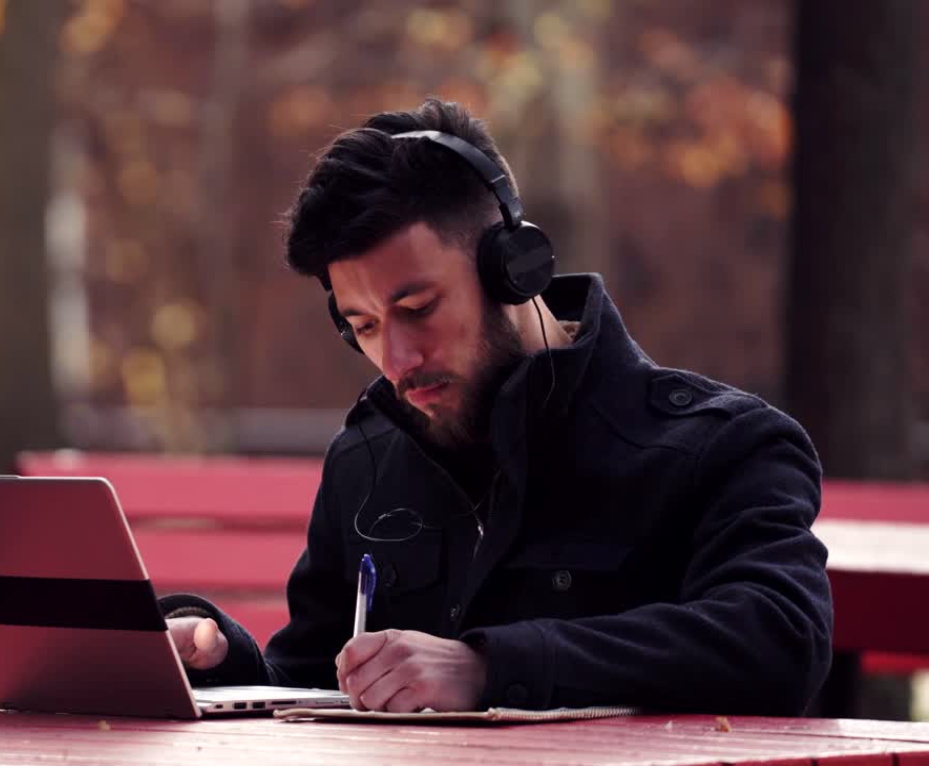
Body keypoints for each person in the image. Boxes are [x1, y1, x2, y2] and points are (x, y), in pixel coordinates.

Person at [160, 98, 833, 716]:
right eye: (362, 327)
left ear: (516, 268)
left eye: (417, 309)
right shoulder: (363, 463)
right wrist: (219, 661)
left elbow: (779, 641)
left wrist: (489, 667)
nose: (395, 359)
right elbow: (315, 685)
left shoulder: (723, 447)